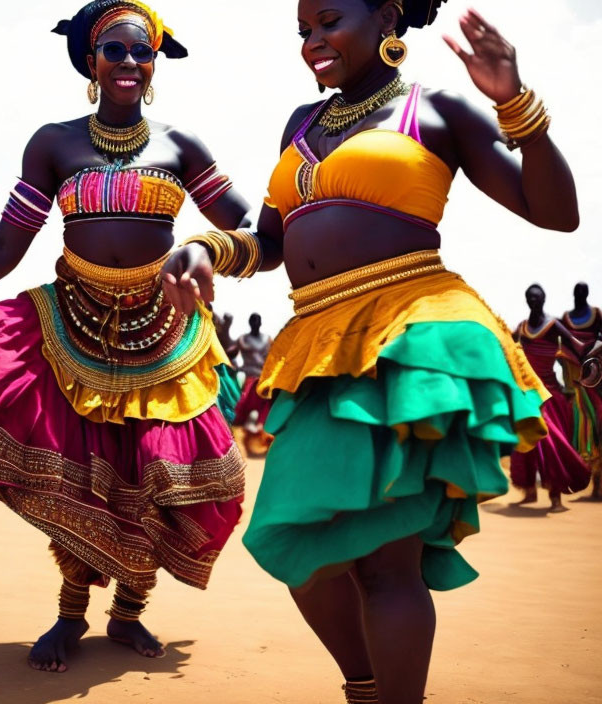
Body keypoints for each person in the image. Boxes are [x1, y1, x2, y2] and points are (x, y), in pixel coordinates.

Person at [162, 2, 578, 701]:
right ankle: (367, 689)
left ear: (386, 16)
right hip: (318, 350)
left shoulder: (434, 108)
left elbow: (555, 212)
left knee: (386, 566)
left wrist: (515, 105)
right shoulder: (303, 123)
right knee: (306, 556)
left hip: (406, 333)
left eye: (328, 21)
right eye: (303, 30)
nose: (313, 41)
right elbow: (266, 241)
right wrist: (205, 247)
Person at [0, 0, 250, 672]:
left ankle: (128, 614)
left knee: (173, 478)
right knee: (86, 477)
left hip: (166, 332)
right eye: (114, 51)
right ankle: (69, 616)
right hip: (73, 325)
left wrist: (212, 248)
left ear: (155, 64)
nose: (128, 62)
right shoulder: (54, 143)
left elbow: (254, 227)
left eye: (140, 51)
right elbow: (8, 238)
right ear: (90, 61)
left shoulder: (183, 146)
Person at [510, 285, 590, 510]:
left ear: (544, 300)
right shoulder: (523, 328)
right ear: (527, 301)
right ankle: (530, 492)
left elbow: (577, 346)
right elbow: (508, 346)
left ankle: (556, 498)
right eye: (531, 299)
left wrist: (590, 356)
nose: (534, 302)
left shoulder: (554, 325)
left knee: (551, 443)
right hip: (528, 395)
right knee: (524, 442)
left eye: (537, 299)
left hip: (550, 395)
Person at [560, 282, 602, 498]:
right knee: (578, 430)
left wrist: (590, 355)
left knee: (597, 427)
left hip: (595, 380)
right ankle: (583, 483)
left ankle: (597, 487)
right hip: (575, 383)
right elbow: (560, 348)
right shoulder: (565, 319)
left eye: (583, 291)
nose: (580, 295)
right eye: (577, 291)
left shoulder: (597, 314)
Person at [233, 313, 273, 457]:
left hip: (264, 379)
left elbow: (273, 356)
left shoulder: (267, 340)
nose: (255, 324)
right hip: (248, 378)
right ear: (250, 323)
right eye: (253, 321)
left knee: (267, 406)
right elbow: (232, 353)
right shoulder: (242, 340)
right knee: (241, 406)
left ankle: (265, 434)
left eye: (258, 321)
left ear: (260, 323)